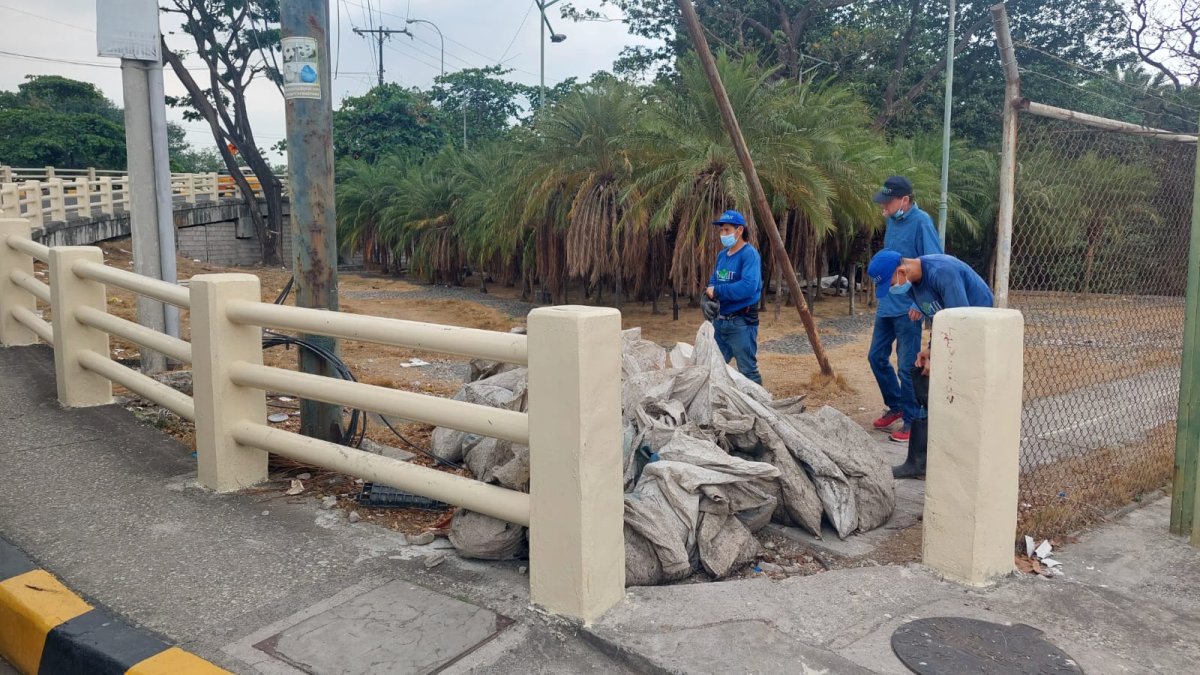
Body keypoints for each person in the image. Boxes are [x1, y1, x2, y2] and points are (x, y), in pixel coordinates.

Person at [867, 249, 995, 478]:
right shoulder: (914, 287)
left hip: (979, 332)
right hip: (957, 334)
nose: (894, 288)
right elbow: (940, 318)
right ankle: (920, 462)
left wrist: (938, 356)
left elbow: (961, 320)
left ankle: (960, 464)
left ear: (901, 271)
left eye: (892, 282)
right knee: (924, 382)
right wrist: (929, 349)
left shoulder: (942, 272)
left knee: (961, 397)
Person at [868, 176, 943, 444]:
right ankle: (896, 404)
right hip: (888, 303)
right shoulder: (891, 221)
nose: (884, 207)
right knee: (875, 357)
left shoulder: (922, 222)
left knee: (906, 365)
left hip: (909, 307)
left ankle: (913, 419)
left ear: (905, 201)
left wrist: (919, 304)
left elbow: (933, 263)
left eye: (888, 202)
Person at [706, 210, 763, 385]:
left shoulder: (749, 254)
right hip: (720, 322)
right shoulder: (722, 256)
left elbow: (748, 287)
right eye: (721, 230)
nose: (723, 234)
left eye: (727, 230)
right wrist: (707, 297)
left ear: (739, 231)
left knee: (747, 371)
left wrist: (718, 291)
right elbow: (713, 282)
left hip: (741, 323)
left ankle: (761, 409)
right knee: (712, 368)